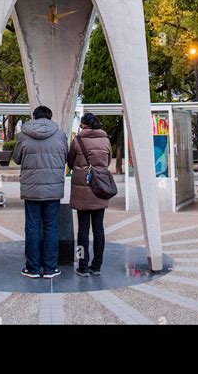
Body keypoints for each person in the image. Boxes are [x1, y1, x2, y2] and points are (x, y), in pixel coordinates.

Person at [13, 105, 68, 279]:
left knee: (32, 227)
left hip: (32, 188)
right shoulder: (60, 135)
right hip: (53, 188)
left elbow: (16, 158)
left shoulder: (24, 135)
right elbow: (65, 157)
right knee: (51, 227)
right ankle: (51, 268)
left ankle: (33, 268)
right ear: (50, 117)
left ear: (34, 117)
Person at [68, 112, 112, 277]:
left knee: (83, 230)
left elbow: (70, 162)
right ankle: (97, 265)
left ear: (83, 124)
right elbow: (107, 162)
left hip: (82, 190)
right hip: (100, 188)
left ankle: (83, 266)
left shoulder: (77, 140)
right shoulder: (106, 140)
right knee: (99, 229)